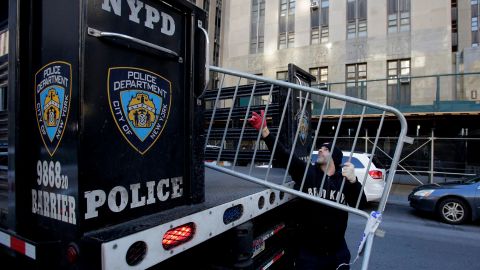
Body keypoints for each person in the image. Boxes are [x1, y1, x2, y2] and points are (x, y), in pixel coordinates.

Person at [248, 110, 367, 270]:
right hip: (310, 254)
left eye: (325, 149)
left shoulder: (343, 181)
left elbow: (361, 205)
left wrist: (354, 182)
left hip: (337, 252)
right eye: (320, 148)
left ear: (334, 157)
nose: (320, 150)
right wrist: (265, 131)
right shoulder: (307, 173)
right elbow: (284, 156)